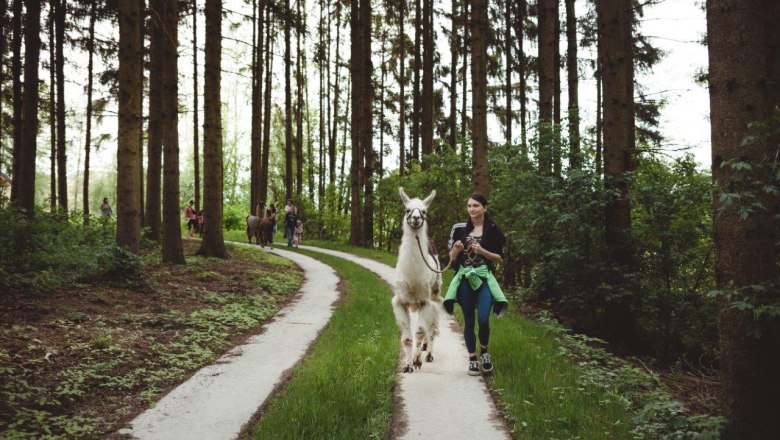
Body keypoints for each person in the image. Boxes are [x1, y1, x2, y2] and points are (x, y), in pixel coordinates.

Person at [443, 193, 508, 376]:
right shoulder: (459, 229)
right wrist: (455, 251)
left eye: (476, 206)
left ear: (485, 208)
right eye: (469, 206)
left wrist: (482, 250)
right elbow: (451, 259)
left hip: (484, 278)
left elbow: (500, 259)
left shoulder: (493, 229)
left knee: (483, 320)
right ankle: (472, 358)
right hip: (464, 279)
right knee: (469, 320)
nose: (472, 209)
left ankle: (484, 352)